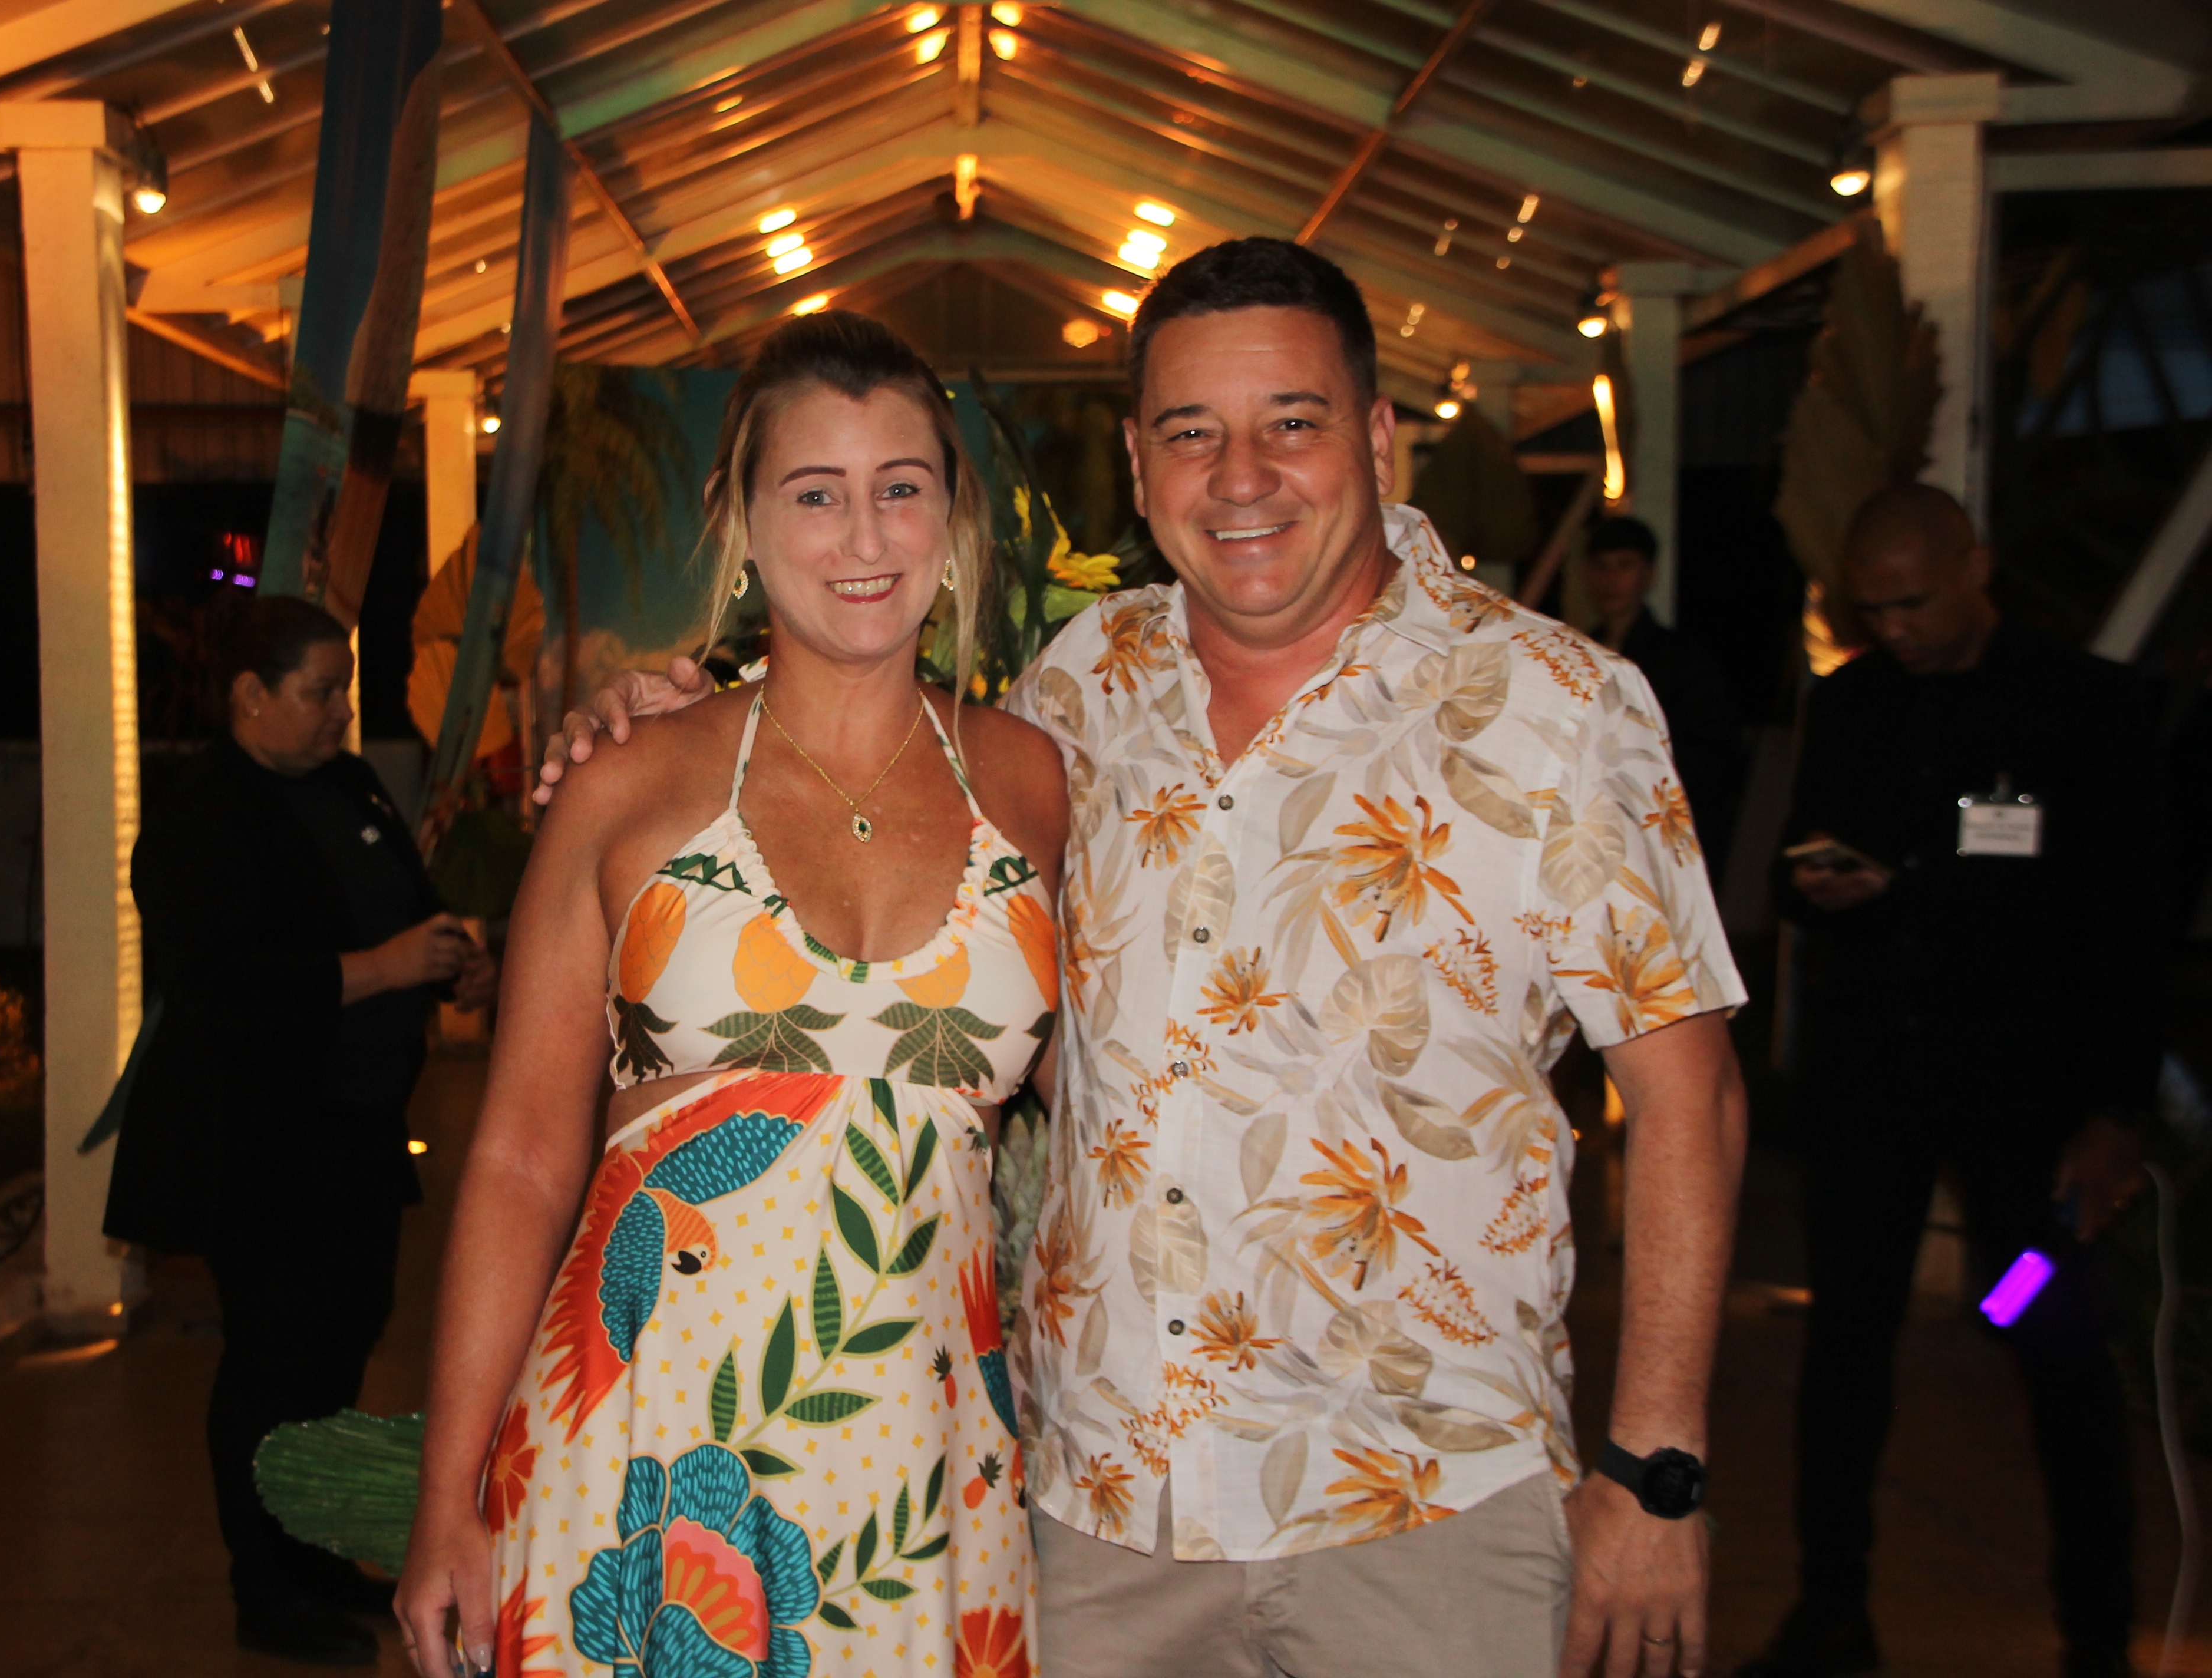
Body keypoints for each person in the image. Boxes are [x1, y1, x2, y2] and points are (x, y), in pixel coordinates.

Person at [543, 238, 1751, 1678]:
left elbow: (1689, 1095)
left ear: (1377, 436)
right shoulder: (1076, 692)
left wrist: (1654, 1462)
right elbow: (882, 834)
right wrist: (662, 721)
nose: (1241, 477)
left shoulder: (1559, 706)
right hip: (1102, 1506)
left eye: (1291, 421)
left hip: (1424, 1503)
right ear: (1136, 459)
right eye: (1191, 432)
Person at [394, 312, 1068, 1678]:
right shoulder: (628, 780)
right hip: (638, 1448)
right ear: (741, 520)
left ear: (951, 516)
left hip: (928, 1466)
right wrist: (446, 1493)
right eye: (815, 494)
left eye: (900, 487)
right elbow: (521, 1154)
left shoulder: (1030, 779)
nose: (863, 536)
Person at [1743, 484, 2164, 1678]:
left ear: (1975, 568)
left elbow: (2128, 921)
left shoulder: (2084, 706)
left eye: (1914, 603)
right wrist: (1817, 885)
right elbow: (1790, 872)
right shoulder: (1853, 703)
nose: (1897, 628)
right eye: (1873, 610)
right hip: (1876, 1094)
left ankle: (2096, 1629)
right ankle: (1832, 1607)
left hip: (2027, 1107)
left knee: (2046, 1332)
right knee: (1848, 1345)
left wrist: (2117, 1111)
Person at [106, 595, 496, 1667]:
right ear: (251, 694)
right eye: (320, 693)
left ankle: (318, 1555)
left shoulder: (349, 785)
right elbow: (223, 988)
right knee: (273, 1364)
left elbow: (405, 906)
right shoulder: (199, 817)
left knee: (342, 1343)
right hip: (257, 1141)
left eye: (344, 692)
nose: (340, 713)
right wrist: (384, 968)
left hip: (356, 1130)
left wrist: (455, 964)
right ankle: (265, 1587)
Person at [1580, 517, 1742, 875]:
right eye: (1601, 567)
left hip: (1660, 831)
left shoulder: (1683, 660)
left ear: (1648, 575)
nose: (1611, 579)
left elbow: (1714, 756)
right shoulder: (1580, 655)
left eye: (1624, 566)